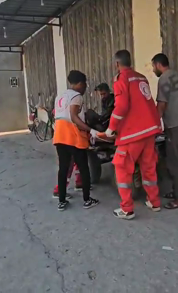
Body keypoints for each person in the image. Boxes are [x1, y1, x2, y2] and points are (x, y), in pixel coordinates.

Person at [105, 50, 162, 220]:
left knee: (122, 169)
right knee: (149, 167)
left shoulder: (122, 79)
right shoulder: (141, 77)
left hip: (132, 133)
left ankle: (127, 209)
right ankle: (154, 202)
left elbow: (121, 107)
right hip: (149, 130)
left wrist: (111, 128)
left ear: (117, 64)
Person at [52, 70, 100, 211]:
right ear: (80, 84)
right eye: (84, 84)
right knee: (84, 168)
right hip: (73, 136)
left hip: (60, 136)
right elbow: (74, 116)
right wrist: (90, 130)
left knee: (63, 168)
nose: (85, 88)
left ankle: (62, 200)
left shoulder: (60, 96)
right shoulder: (76, 96)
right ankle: (87, 200)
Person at [153, 53, 178, 209]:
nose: (154, 70)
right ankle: (177, 191)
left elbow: (162, 104)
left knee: (176, 162)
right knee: (175, 159)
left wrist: (154, 124)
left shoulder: (164, 79)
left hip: (174, 125)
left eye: (153, 66)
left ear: (158, 64)